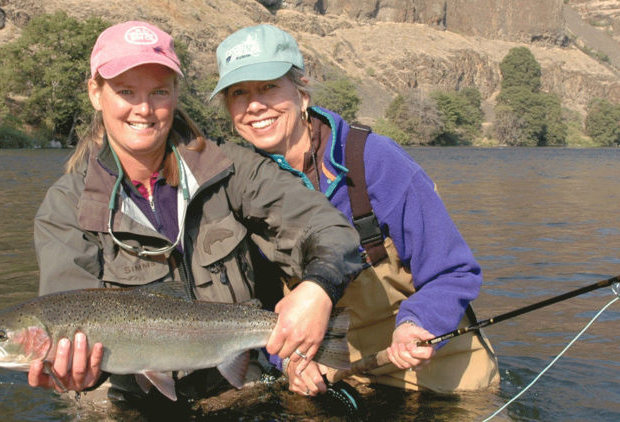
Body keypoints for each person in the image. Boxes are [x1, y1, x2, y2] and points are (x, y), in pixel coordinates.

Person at [27, 21, 364, 403]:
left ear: (174, 94)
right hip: (128, 399)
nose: (143, 108)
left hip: (239, 386)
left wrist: (318, 290)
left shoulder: (230, 168)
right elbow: (65, 308)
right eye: (125, 91)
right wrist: (75, 375)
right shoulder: (66, 207)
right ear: (95, 92)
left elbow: (331, 230)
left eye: (158, 91)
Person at [211, 24, 499, 396]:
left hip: (438, 370)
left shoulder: (375, 161)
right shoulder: (235, 187)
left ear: (302, 94)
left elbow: (454, 270)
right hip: (340, 376)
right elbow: (262, 306)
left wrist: (416, 324)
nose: (254, 105)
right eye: (239, 93)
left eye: (268, 86)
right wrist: (290, 360)